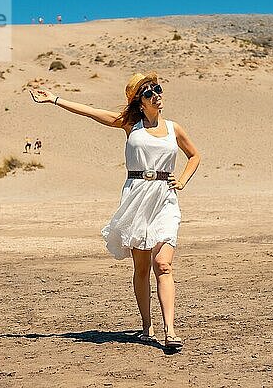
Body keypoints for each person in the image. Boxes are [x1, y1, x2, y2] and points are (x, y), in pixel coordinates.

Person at [29, 72, 200, 349]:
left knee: (163, 264)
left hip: (164, 199)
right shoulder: (130, 124)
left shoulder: (173, 128)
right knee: (142, 268)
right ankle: (147, 326)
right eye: (148, 92)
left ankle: (171, 330)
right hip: (136, 198)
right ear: (139, 102)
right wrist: (55, 99)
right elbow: (91, 113)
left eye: (157, 89)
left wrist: (181, 179)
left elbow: (195, 155)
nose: (156, 94)